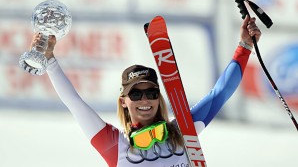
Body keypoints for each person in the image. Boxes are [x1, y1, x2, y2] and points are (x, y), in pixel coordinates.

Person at [28, 15, 261, 167]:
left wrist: (245, 46)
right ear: (123, 102)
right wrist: (49, 60)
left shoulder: (181, 132)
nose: (145, 100)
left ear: (159, 98)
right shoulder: (115, 146)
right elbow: (74, 103)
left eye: (151, 93)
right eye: (136, 94)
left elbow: (219, 94)